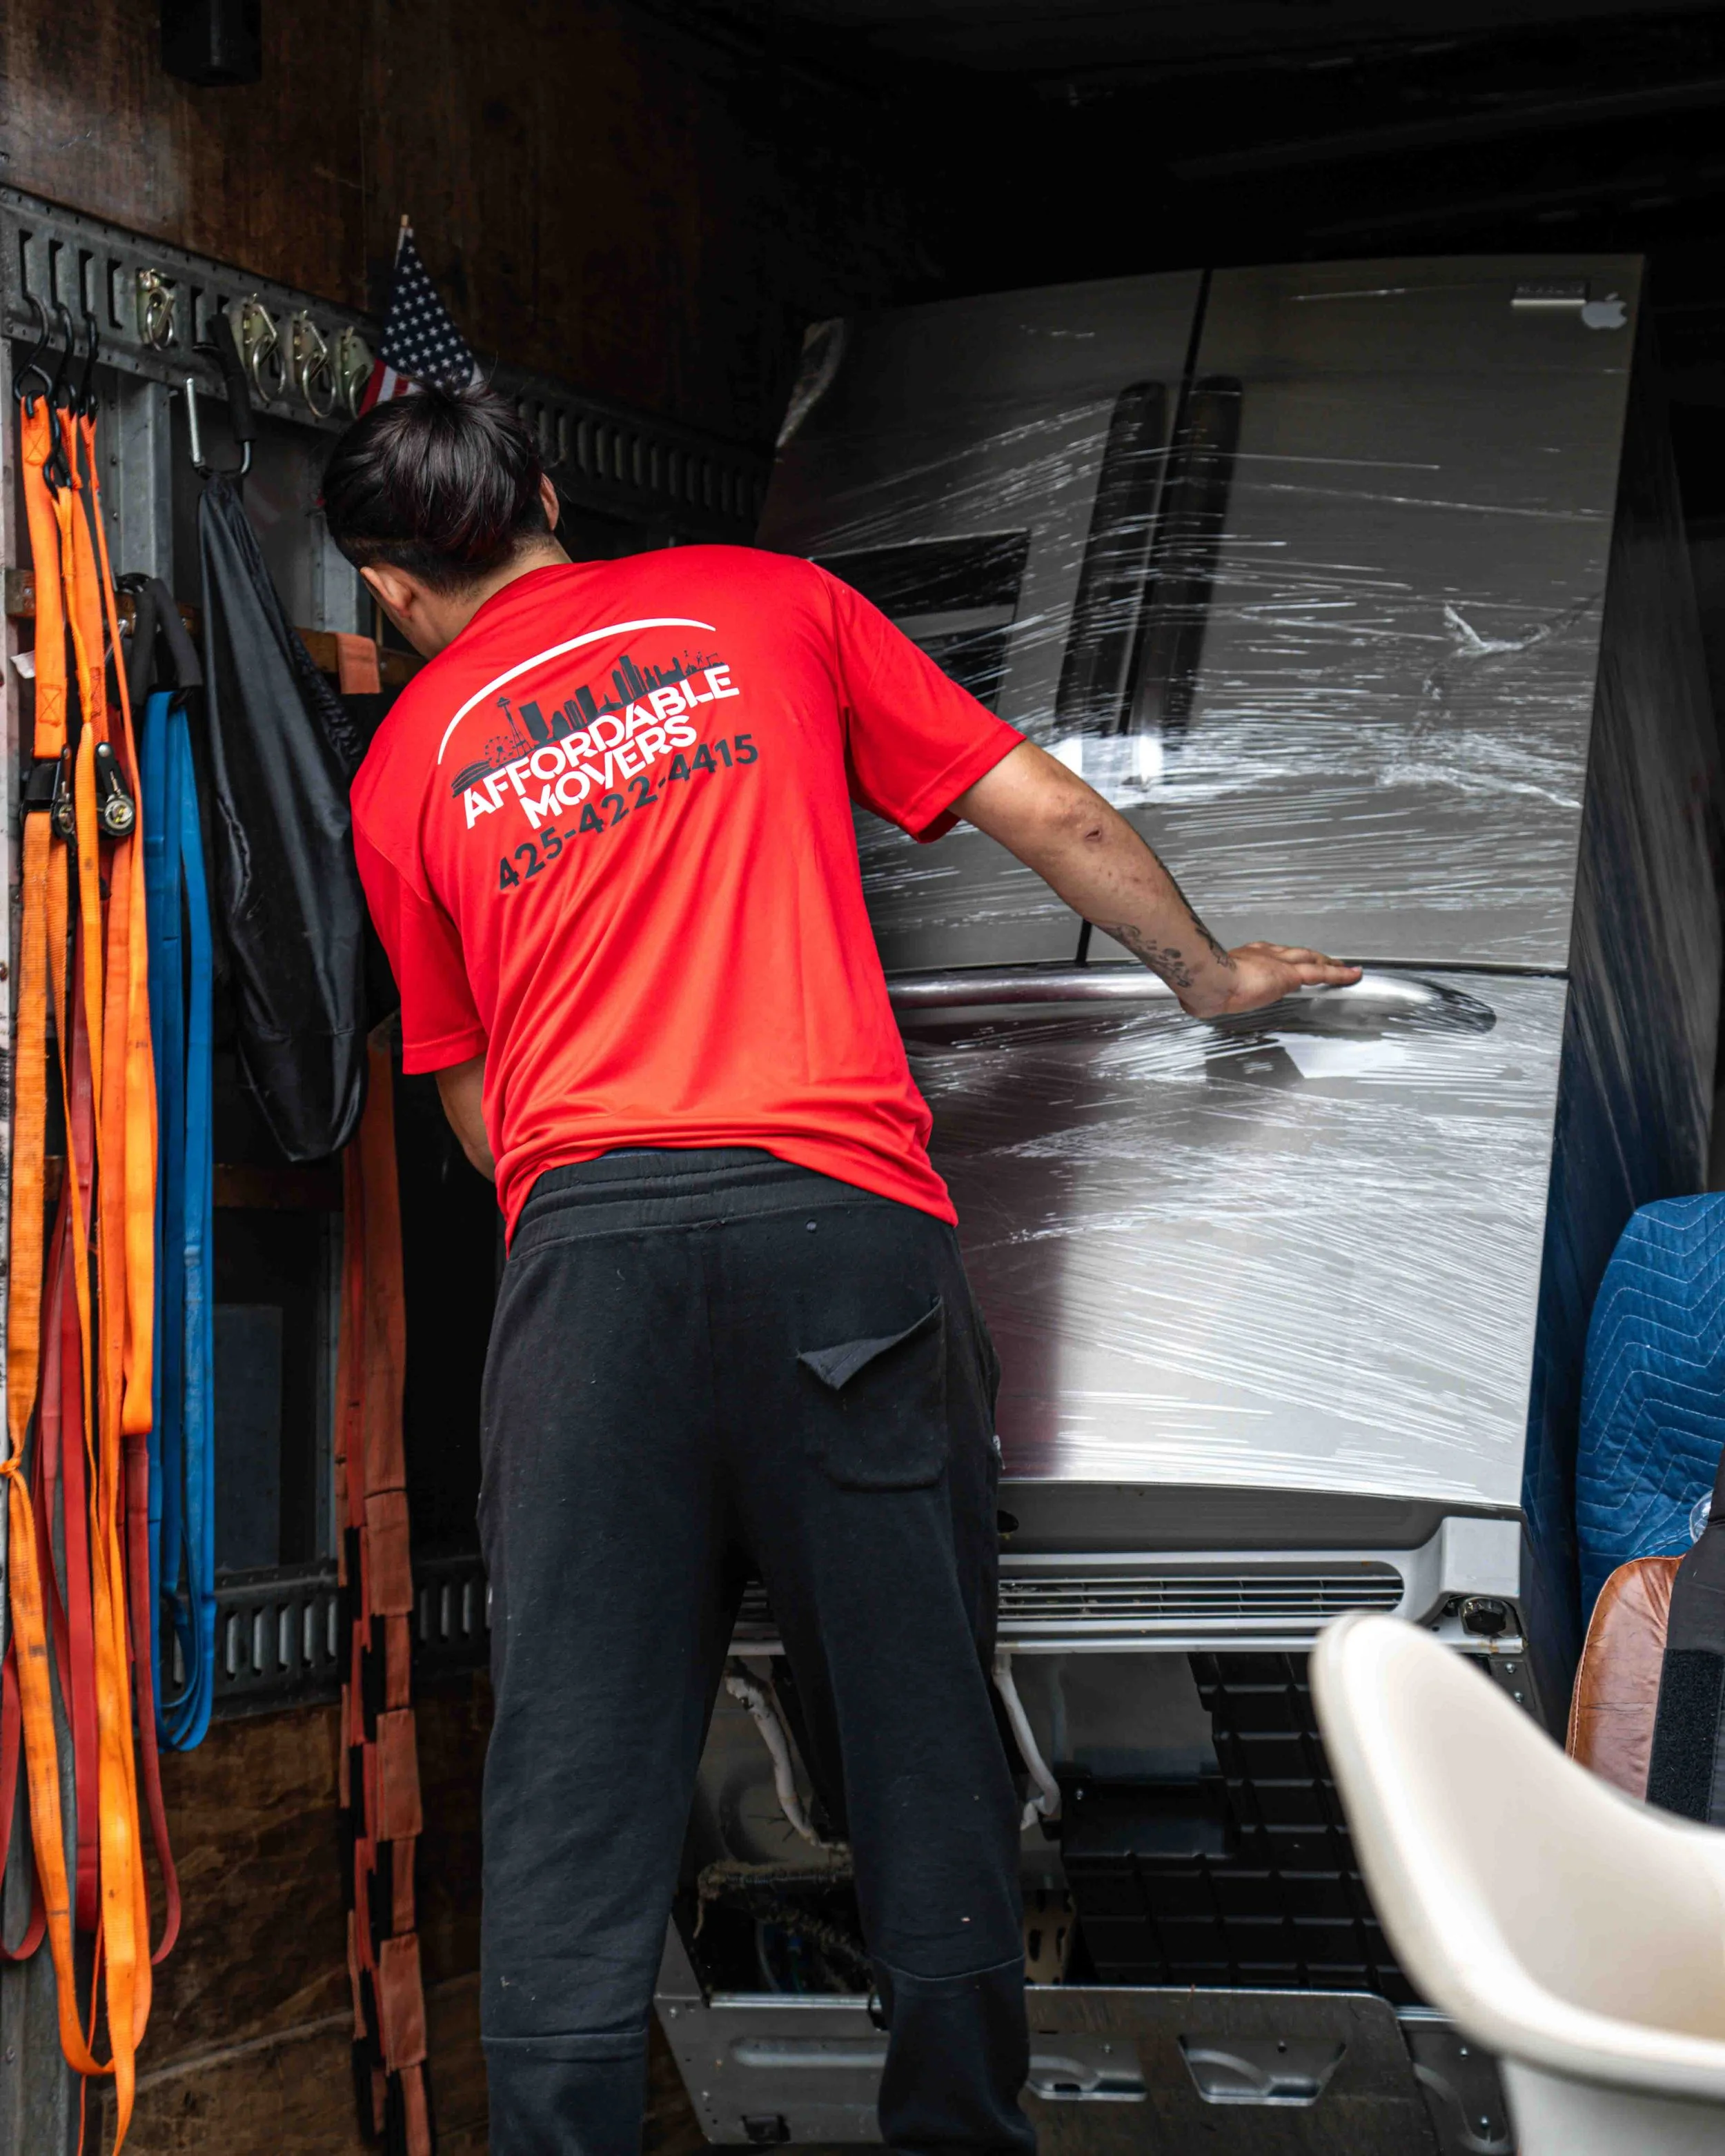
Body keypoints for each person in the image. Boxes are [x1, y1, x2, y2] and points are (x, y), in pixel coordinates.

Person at [322, 383, 1359, 2156]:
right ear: (552, 491)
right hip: (839, 1248)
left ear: (391, 587)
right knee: (913, 1738)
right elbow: (1049, 813)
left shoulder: (405, 761)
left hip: (590, 1276)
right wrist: (1205, 974)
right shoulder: (766, 600)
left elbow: (476, 1103)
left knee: (575, 1783)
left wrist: (620, 1246)